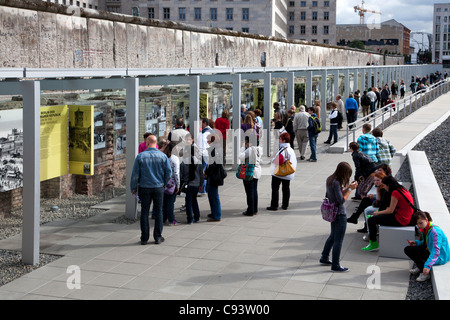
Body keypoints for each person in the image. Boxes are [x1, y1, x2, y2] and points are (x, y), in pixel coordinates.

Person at [130, 133, 172, 245]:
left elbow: (135, 174)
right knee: (159, 212)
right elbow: (169, 172)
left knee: (144, 212)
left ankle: (144, 238)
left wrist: (133, 187)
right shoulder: (163, 156)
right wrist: (164, 183)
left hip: (145, 187)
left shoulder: (140, 156)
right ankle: (158, 237)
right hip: (158, 187)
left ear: (147, 143)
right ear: (156, 144)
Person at [320, 161, 358, 272]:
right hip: (339, 213)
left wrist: (350, 187)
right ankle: (335, 265)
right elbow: (341, 200)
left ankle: (324, 257)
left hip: (332, 212)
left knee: (332, 236)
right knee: (338, 240)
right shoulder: (337, 182)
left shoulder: (330, 179)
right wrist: (350, 190)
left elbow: (338, 195)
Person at [363, 176, 415, 252]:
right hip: (405, 216)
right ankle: (373, 242)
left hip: (401, 219)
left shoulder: (395, 192)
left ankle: (373, 244)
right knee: (376, 217)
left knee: (371, 220)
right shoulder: (402, 189)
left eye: (384, 185)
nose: (384, 188)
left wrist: (378, 213)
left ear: (388, 185)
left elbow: (390, 210)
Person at [404, 211, 450, 282]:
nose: (419, 226)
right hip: (431, 250)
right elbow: (427, 243)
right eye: (417, 224)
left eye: (420, 223)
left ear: (426, 219)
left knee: (415, 252)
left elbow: (436, 251)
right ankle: (420, 267)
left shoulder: (435, 232)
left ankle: (424, 272)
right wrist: (417, 243)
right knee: (408, 249)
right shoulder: (426, 228)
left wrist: (427, 266)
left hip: (440, 256)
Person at [267, 132, 297, 211]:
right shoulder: (291, 150)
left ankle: (274, 205)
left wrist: (272, 160)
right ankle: (285, 204)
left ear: (283, 140)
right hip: (288, 173)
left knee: (275, 188)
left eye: (280, 139)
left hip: (279, 173)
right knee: (286, 188)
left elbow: (277, 161)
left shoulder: (283, 150)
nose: (279, 140)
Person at [180, 135, 204, 224]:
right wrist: (201, 184)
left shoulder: (184, 161)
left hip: (188, 184)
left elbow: (181, 174)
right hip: (196, 184)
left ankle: (190, 218)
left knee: (188, 202)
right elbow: (201, 175)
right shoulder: (199, 162)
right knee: (194, 200)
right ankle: (197, 217)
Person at [240, 136, 263, 216]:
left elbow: (240, 156)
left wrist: (243, 147)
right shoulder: (259, 148)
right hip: (257, 171)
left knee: (249, 192)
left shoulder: (249, 149)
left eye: (246, 142)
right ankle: (255, 209)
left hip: (250, 172)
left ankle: (250, 210)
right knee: (254, 191)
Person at [204, 139, 226, 222]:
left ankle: (216, 215)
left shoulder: (214, 150)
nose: (207, 142)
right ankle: (214, 212)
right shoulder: (217, 148)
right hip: (214, 174)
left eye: (208, 140)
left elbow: (212, 165)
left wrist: (206, 172)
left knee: (213, 195)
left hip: (213, 176)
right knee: (212, 194)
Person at [162, 141, 181, 226]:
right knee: (170, 202)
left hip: (163, 182)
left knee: (164, 201)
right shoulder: (174, 158)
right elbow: (176, 173)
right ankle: (171, 219)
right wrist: (178, 185)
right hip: (172, 183)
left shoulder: (164, 157)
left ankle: (163, 218)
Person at [197, 118, 212, 195]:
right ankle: (205, 188)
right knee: (206, 172)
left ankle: (202, 190)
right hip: (209, 154)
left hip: (204, 154)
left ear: (205, 123)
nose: (200, 125)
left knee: (202, 172)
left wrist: (199, 155)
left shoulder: (204, 133)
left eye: (201, 123)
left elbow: (201, 145)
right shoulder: (211, 131)